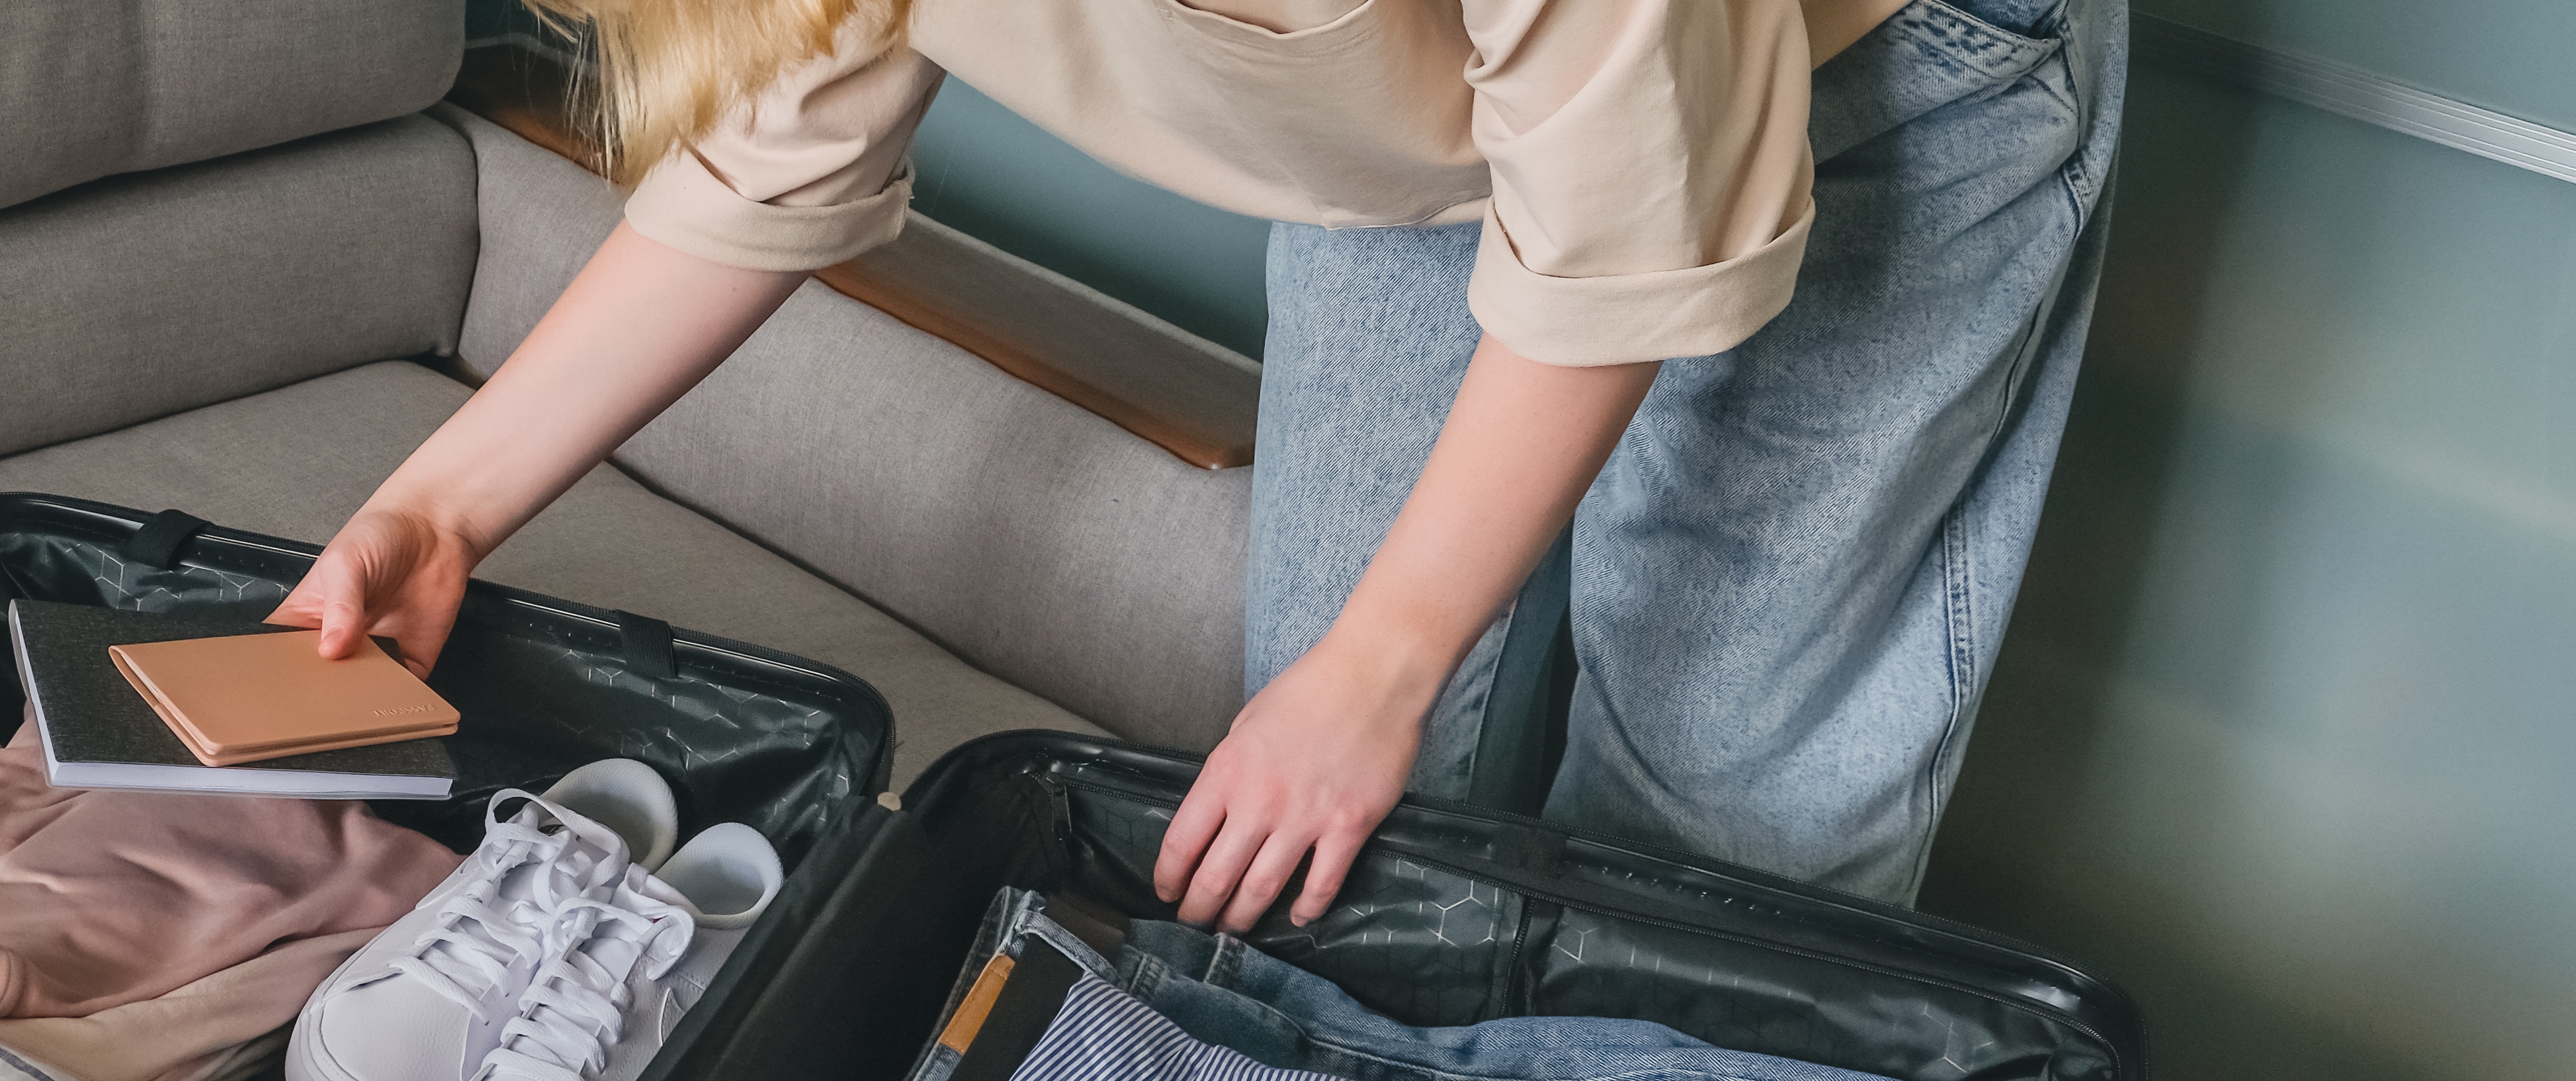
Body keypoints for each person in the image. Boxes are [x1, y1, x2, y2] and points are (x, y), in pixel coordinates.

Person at [270, 0, 2124, 918]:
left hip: (1892, 73)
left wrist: (1384, 665)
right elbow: (778, 134)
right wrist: (442, 503)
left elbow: (1632, 240)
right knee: (1325, 790)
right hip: (1435, 106)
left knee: (1723, 809)